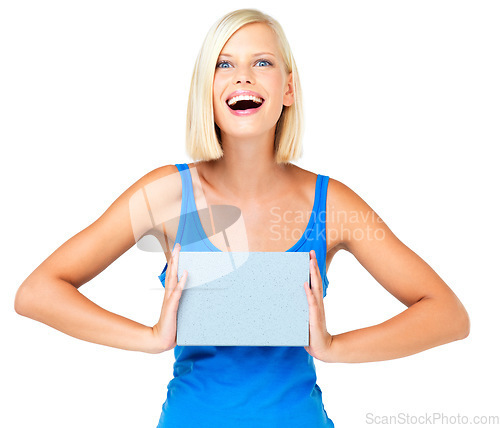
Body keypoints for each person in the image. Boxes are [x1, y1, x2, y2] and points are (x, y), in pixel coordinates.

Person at [14, 8, 470, 428]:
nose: (243, 76)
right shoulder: (167, 195)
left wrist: (333, 348)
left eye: (263, 63)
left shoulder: (332, 205)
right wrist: (151, 338)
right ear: (206, 90)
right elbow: (38, 292)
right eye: (224, 64)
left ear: (288, 89)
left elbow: (448, 314)